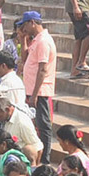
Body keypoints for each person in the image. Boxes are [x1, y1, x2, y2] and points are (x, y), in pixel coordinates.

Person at [19, 11, 57, 164]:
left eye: (25, 25)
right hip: (33, 91)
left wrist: (34, 95)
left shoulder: (43, 41)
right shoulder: (36, 40)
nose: (24, 28)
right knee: (37, 126)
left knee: (43, 126)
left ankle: (45, 160)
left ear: (32, 23)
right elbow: (24, 58)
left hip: (40, 92)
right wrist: (23, 39)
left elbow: (43, 70)